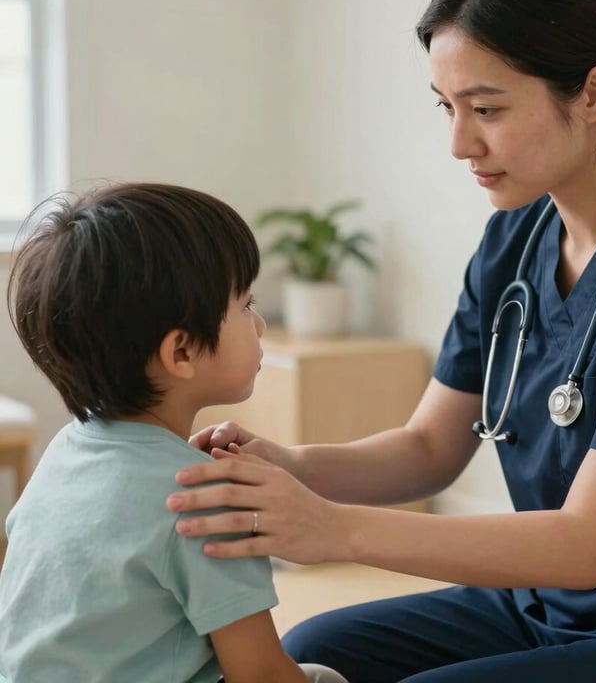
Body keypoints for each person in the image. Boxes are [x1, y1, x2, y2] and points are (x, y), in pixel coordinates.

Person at [167, 0, 596, 683]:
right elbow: (430, 449)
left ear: (594, 93)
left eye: (485, 108)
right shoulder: (515, 236)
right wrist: (289, 467)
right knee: (313, 650)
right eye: (447, 106)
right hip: (540, 603)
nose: (458, 142)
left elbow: (588, 545)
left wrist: (336, 532)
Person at [0, 183, 347, 683]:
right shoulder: (203, 498)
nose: (262, 324)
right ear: (181, 352)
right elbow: (262, 675)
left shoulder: (66, 450)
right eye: (246, 304)